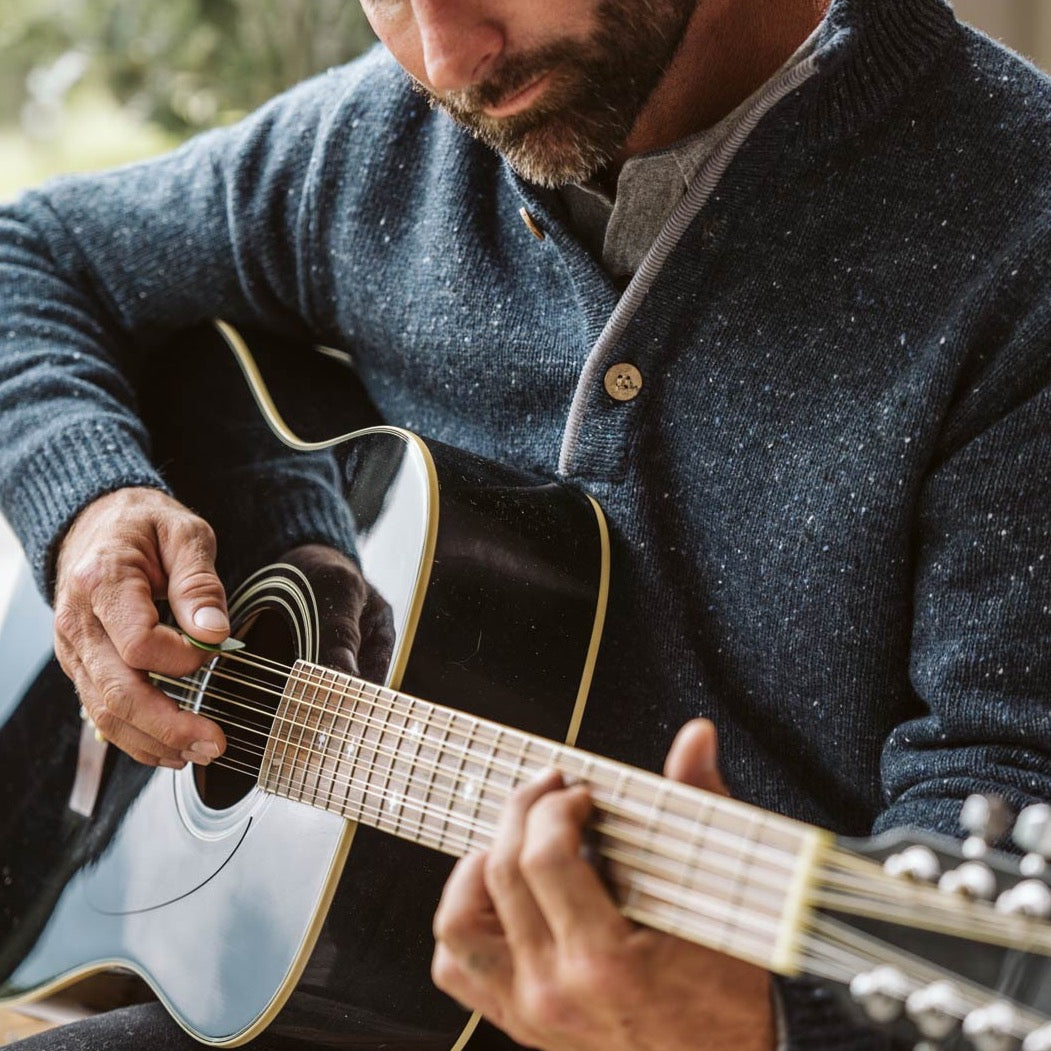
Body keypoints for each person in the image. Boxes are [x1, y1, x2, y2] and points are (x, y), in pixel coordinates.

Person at [0, 0, 1048, 1047]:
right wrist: (91, 503)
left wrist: (767, 1021)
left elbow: (1004, 805)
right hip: (343, 980)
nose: (446, 60)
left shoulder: (1020, 238)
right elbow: (31, 257)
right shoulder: (383, 141)